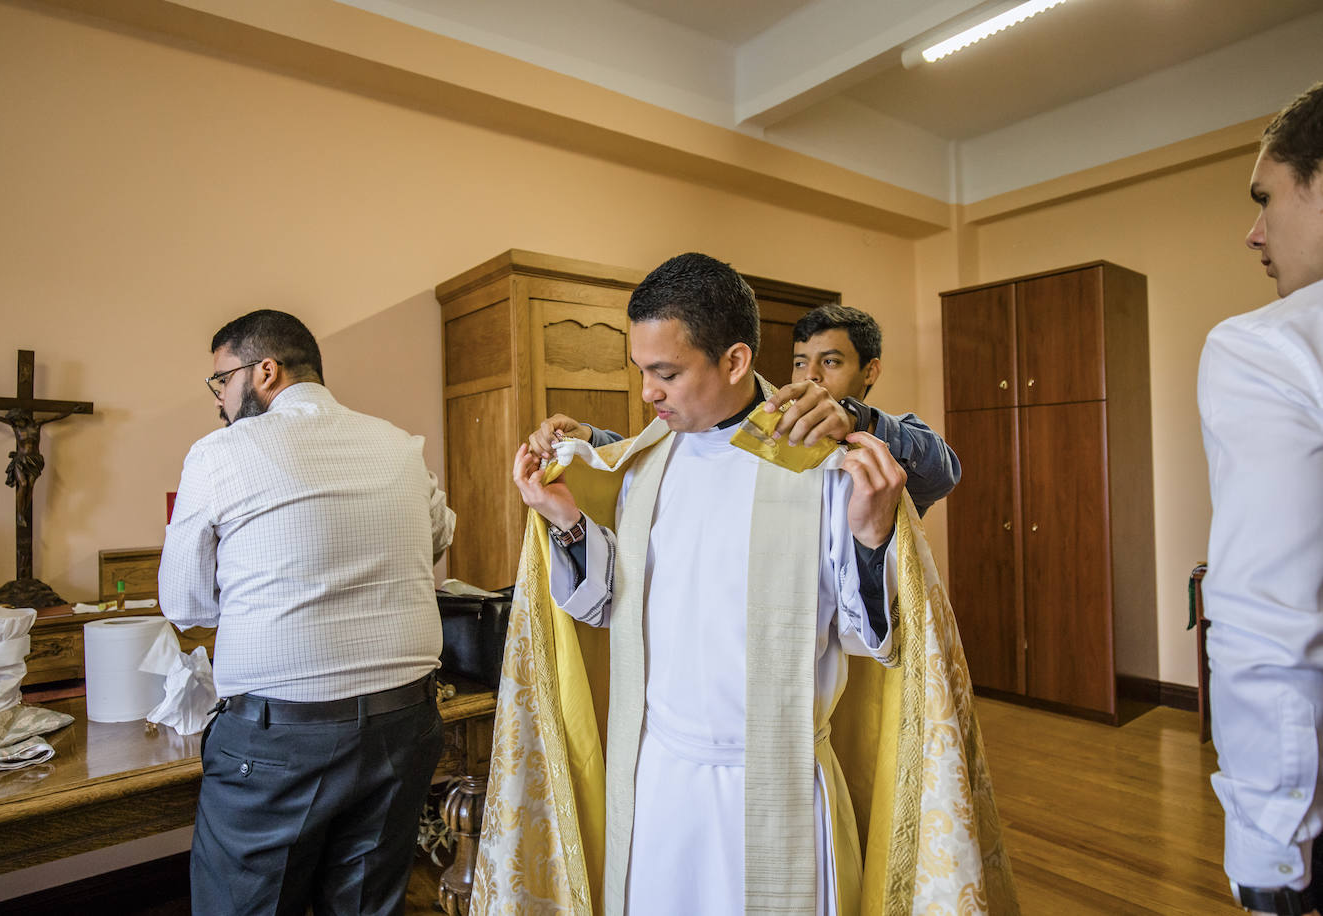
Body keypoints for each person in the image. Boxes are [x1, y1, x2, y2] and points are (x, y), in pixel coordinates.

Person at [488, 253, 1012, 915]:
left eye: (666, 373)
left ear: (734, 362)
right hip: (658, 780)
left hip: (775, 788)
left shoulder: (818, 464)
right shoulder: (649, 464)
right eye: (642, 371)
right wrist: (564, 519)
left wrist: (873, 538)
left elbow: (866, 638)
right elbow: (610, 606)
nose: (649, 391)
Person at [158, 309, 455, 915]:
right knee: (368, 905)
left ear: (265, 370)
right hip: (404, 724)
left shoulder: (220, 453)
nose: (219, 400)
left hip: (278, 744)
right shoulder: (399, 445)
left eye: (222, 380)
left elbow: (184, 603)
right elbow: (437, 538)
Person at [525, 301, 959, 612]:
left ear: (870, 371)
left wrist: (855, 418)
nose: (810, 377)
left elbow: (941, 471)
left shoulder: (870, 446)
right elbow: (687, 456)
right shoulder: (763, 434)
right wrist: (592, 443)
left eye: (829, 361)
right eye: (799, 362)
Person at [1199, 81, 1323, 916]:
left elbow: (1268, 617)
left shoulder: (1266, 348)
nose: (1254, 232)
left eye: (1266, 198)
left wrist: (1267, 852)